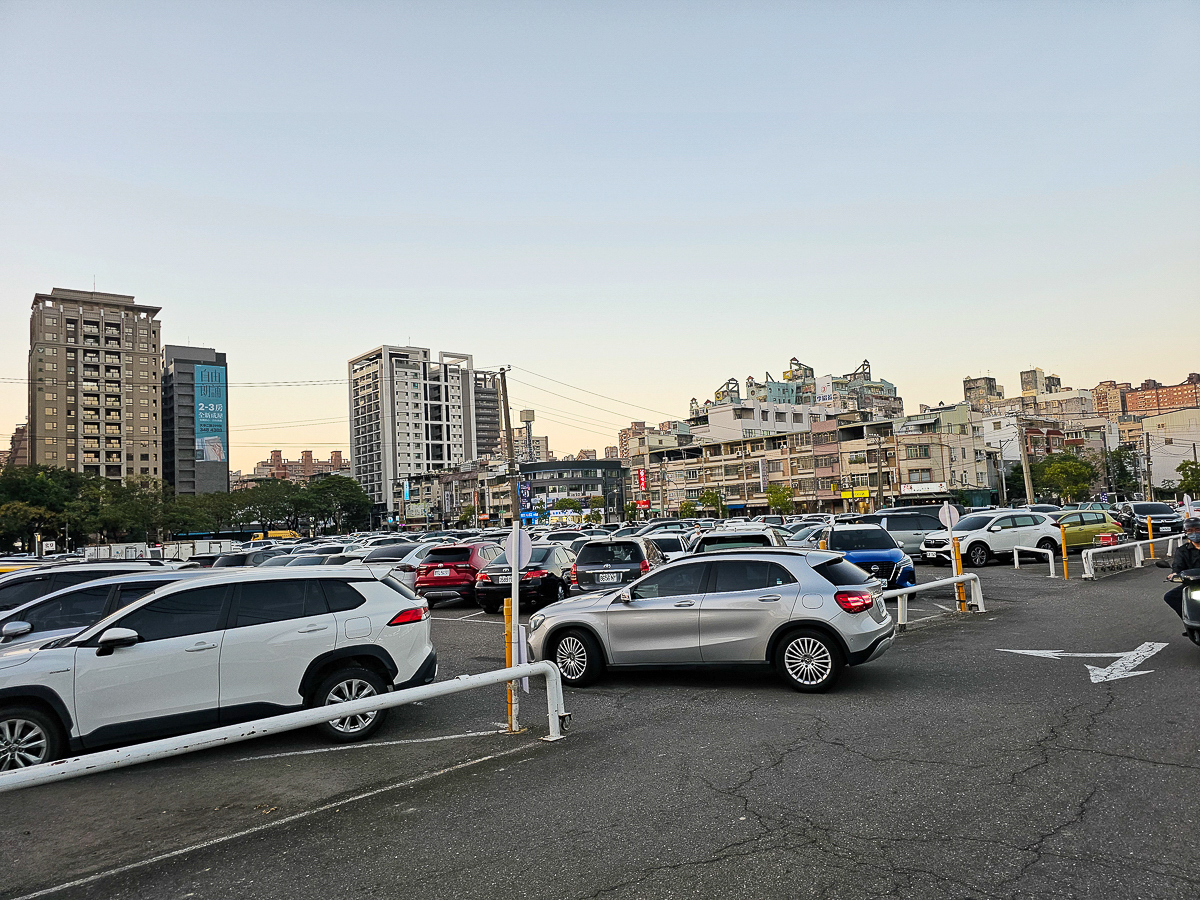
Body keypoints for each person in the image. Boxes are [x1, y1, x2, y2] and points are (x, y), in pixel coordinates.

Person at [1163, 518, 1200, 618]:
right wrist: (1174, 574)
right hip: (1191, 584)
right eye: (1190, 530)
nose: (1194, 533)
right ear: (1186, 532)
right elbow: (1178, 566)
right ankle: (1189, 620)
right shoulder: (1182, 550)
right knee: (1170, 597)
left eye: (1197, 529)